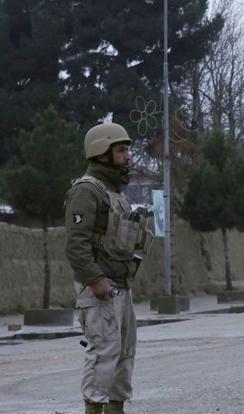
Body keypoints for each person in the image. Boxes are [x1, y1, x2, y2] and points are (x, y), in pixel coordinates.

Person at [65, 123, 153, 414]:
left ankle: (117, 409)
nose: (128, 156)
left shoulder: (116, 192)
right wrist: (95, 280)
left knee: (124, 354)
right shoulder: (87, 192)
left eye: (127, 149)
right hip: (99, 289)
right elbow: (76, 246)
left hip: (119, 286)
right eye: (121, 150)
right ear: (102, 153)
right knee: (103, 354)